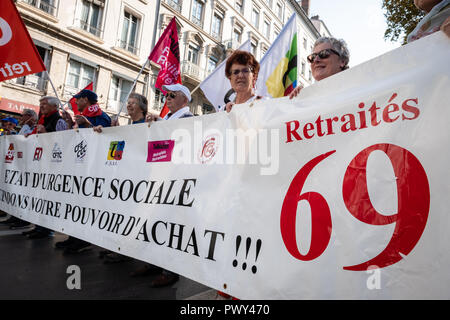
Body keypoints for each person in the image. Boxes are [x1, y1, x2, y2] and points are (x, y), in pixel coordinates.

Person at [144, 83, 194, 288]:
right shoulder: (166, 119)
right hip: (160, 180)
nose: (168, 98)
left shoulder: (189, 120)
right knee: (156, 223)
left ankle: (170, 271)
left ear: (184, 99)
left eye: (172, 95)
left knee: (172, 227)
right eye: (166, 95)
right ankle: (155, 262)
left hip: (176, 182)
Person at [56, 89, 111, 254]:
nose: (76, 102)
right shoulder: (81, 116)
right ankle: (73, 237)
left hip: (92, 169)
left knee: (85, 206)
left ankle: (83, 240)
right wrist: (68, 124)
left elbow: (106, 138)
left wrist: (88, 125)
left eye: (78, 99)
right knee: (75, 205)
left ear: (85, 99)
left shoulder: (101, 116)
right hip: (78, 166)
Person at [24, 96, 68, 239]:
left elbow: (62, 143)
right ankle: (38, 226)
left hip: (53, 166)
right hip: (41, 164)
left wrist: (45, 134)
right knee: (39, 197)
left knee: (48, 199)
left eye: (44, 104)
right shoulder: (42, 120)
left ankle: (46, 229)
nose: (41, 107)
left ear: (54, 106)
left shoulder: (59, 120)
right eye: (40, 104)